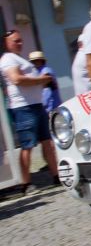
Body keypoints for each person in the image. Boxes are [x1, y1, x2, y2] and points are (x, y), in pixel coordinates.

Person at [0, 30, 59, 193]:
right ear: (7, 42)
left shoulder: (18, 58)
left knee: (47, 142)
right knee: (28, 145)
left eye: (20, 40)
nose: (19, 43)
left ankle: (56, 176)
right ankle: (25, 184)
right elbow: (17, 79)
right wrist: (42, 80)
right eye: (15, 41)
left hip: (35, 104)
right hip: (23, 107)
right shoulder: (8, 59)